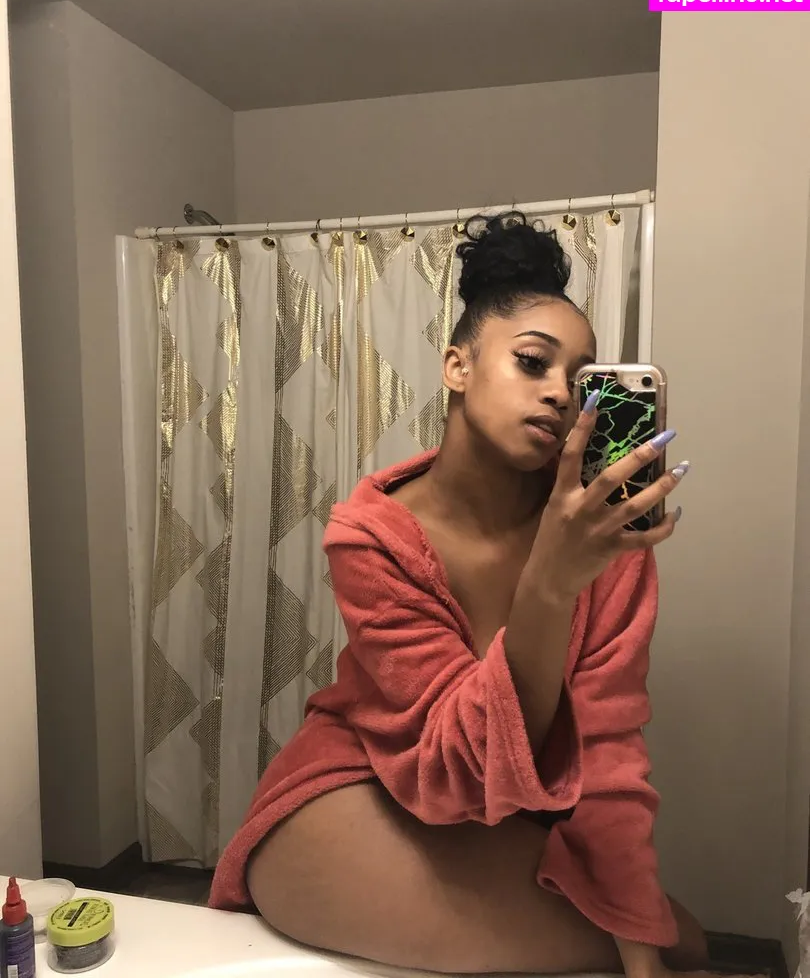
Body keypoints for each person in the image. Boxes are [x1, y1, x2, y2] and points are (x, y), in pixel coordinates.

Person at [210, 212, 708, 978]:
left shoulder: (600, 536)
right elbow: (452, 765)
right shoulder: (372, 538)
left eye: (580, 383)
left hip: (508, 807)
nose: (558, 394)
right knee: (611, 952)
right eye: (532, 362)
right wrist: (548, 585)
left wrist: (646, 961)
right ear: (457, 366)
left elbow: (609, 754)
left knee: (681, 944)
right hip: (366, 789)